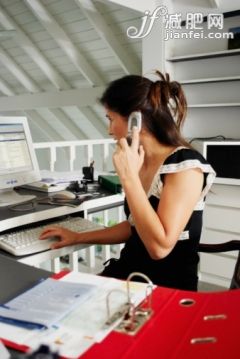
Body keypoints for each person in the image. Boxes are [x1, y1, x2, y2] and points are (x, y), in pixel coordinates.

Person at [40, 71, 216, 291]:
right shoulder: (141, 161)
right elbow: (135, 226)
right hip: (129, 274)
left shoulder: (186, 167)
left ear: (136, 119)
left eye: (111, 119)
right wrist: (77, 237)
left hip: (164, 288)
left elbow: (159, 247)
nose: (109, 129)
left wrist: (129, 177)